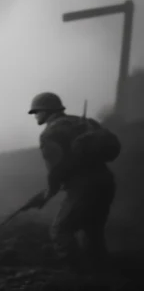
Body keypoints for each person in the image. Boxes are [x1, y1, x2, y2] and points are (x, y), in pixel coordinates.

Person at [29, 92, 118, 270]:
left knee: (60, 230)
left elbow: (56, 169)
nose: (35, 115)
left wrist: (48, 193)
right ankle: (103, 273)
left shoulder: (50, 133)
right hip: (106, 181)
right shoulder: (85, 122)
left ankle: (76, 274)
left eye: (36, 111)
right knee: (93, 230)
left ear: (46, 111)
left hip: (84, 187)